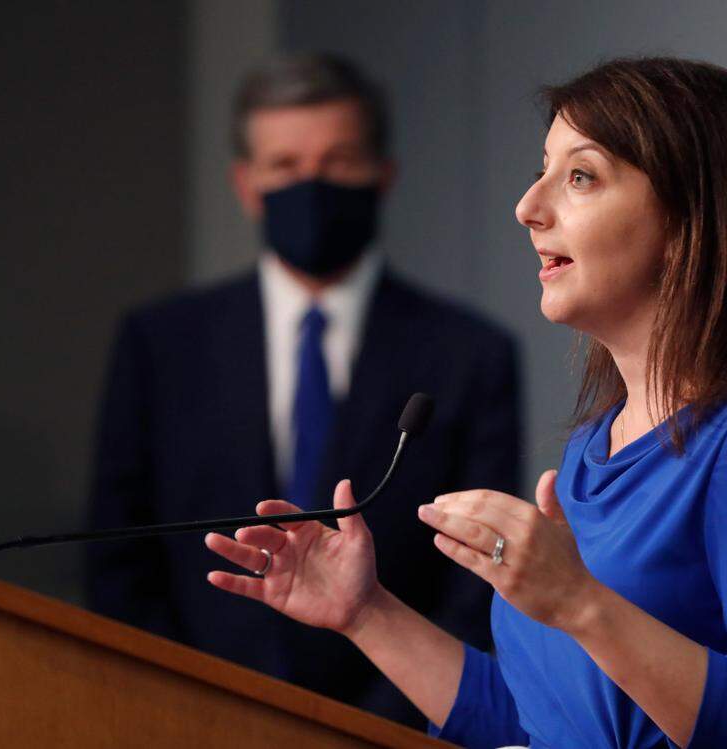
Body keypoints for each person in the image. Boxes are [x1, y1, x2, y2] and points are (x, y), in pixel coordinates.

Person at [203, 56, 727, 747]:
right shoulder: (591, 447)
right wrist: (366, 612)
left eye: (579, 176)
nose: (528, 206)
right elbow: (534, 722)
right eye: (541, 169)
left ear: (690, 218)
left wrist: (581, 603)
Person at [85, 54, 522, 729]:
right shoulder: (159, 343)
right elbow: (117, 557)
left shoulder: (471, 354)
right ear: (246, 183)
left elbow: (476, 578)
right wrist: (192, 711)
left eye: (339, 160)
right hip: (187, 725)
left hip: (391, 730)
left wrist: (365, 732)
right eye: (285, 166)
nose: (311, 185)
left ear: (384, 173)